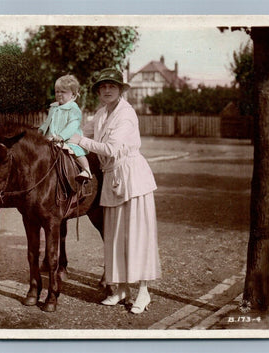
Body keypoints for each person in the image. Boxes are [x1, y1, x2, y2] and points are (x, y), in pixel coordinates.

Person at [68, 68, 161, 314]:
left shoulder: (126, 115)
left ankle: (143, 292)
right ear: (99, 91)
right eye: (103, 87)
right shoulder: (101, 114)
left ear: (120, 89)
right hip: (112, 179)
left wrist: (80, 142)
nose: (107, 90)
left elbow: (109, 148)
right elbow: (79, 133)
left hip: (132, 178)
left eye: (112, 86)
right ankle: (121, 290)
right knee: (115, 236)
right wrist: (57, 137)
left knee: (136, 237)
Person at [38, 74, 92, 181]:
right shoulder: (54, 107)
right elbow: (47, 122)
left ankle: (87, 170)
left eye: (63, 92)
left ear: (72, 95)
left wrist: (62, 136)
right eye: (57, 91)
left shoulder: (73, 108)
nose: (59, 94)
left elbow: (73, 124)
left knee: (76, 152)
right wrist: (40, 131)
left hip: (69, 138)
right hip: (53, 138)